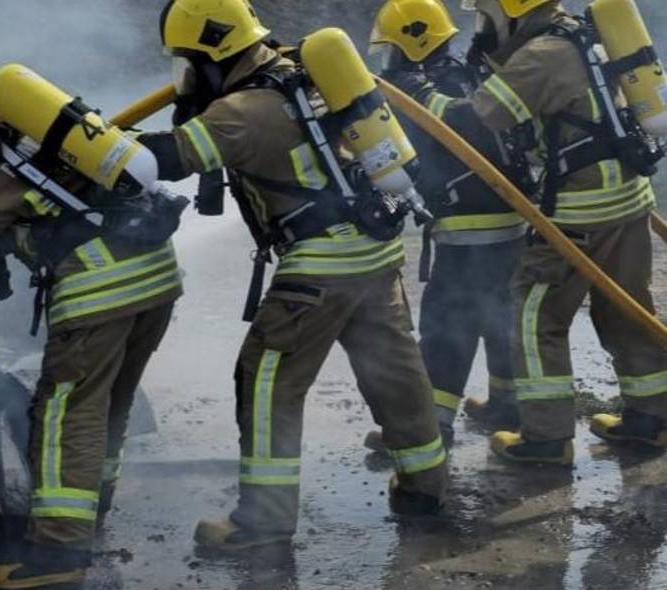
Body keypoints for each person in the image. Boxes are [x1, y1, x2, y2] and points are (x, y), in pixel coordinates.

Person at [138, 0, 448, 554]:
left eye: (188, 63)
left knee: (266, 382)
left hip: (320, 265)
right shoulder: (302, 76)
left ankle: (262, 524)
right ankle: (425, 488)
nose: (184, 76)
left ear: (211, 55)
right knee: (395, 375)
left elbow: (166, 160)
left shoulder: (241, 110)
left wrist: (79, 141)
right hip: (374, 252)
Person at [0, 55, 184, 588]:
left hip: (98, 291)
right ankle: (89, 515)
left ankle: (58, 553)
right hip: (158, 280)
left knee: (64, 413)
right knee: (109, 405)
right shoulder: (45, 135)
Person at [448, 0, 667, 465]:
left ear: (512, 10)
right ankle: (652, 419)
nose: (483, 26)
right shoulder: (587, 34)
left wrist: (444, 98)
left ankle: (546, 439)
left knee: (533, 317)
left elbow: (488, 113)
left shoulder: (542, 53)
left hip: (581, 210)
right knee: (626, 307)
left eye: (486, 17)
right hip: (629, 199)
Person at [367, 0, 530, 441]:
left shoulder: (425, 90)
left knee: (447, 324)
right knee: (499, 314)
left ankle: (430, 426)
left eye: (391, 51)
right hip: (513, 221)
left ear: (411, 44)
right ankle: (506, 405)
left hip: (469, 229)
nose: (388, 62)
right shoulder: (472, 71)